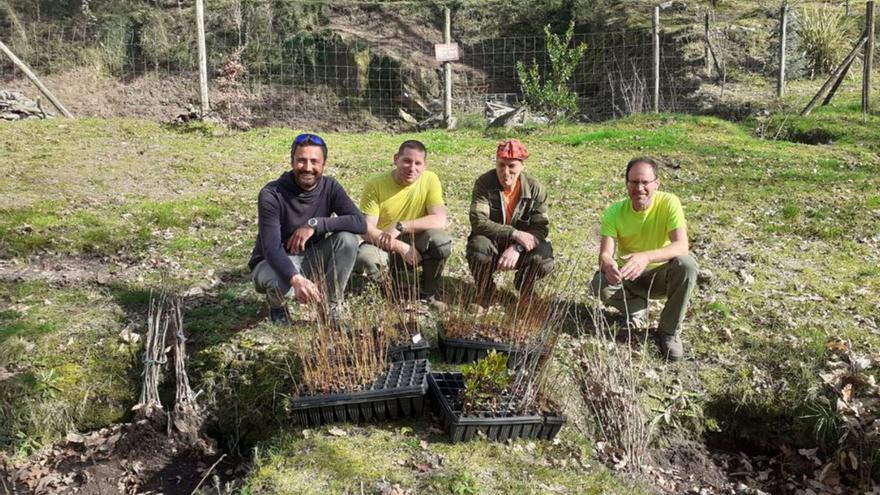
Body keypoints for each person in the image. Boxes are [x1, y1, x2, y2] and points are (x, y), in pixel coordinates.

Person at [248, 133, 366, 323]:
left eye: (314, 161)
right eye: (301, 161)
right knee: (283, 285)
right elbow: (271, 248)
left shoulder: (330, 187)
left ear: (324, 164)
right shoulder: (272, 194)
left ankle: (331, 305)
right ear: (292, 162)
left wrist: (316, 224)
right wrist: (296, 279)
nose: (308, 168)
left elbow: (359, 223)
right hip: (272, 262)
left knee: (348, 239)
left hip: (312, 257)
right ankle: (276, 305)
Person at [591, 156, 698, 361]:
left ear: (656, 183)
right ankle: (636, 307)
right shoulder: (614, 212)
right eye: (634, 182)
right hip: (630, 276)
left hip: (662, 276)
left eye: (645, 182)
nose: (639, 188)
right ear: (626, 183)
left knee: (687, 265)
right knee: (599, 283)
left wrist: (646, 257)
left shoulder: (669, 203)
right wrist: (609, 265)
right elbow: (605, 254)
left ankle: (668, 331)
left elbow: (682, 246)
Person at [354, 140, 451, 308]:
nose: (412, 168)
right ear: (396, 159)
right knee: (365, 257)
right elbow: (366, 229)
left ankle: (428, 294)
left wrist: (401, 226)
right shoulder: (375, 185)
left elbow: (440, 219)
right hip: (384, 244)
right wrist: (400, 246)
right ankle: (390, 292)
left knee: (441, 242)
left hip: (418, 243)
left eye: (418, 163)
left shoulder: (430, 179)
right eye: (406, 161)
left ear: (424, 165)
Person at [466, 139, 554, 305]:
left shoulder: (536, 189)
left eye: (512, 166)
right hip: (492, 241)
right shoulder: (484, 183)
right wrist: (514, 233)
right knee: (478, 248)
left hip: (522, 247)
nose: (506, 172)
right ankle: (486, 292)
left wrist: (518, 246)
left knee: (545, 259)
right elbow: (478, 221)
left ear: (522, 166)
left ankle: (525, 288)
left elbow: (540, 228)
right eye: (501, 165)